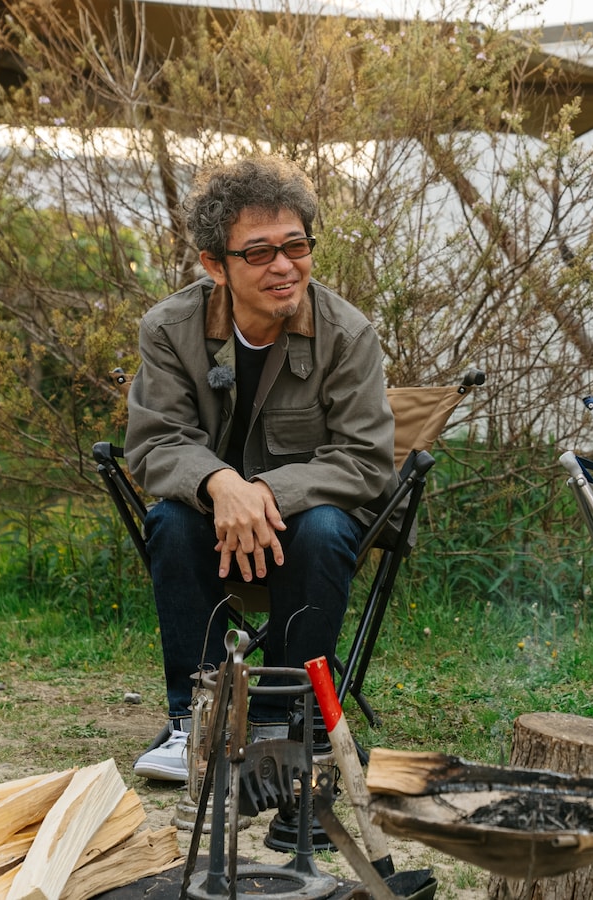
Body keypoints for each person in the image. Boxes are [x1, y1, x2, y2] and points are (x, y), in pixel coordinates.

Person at [125, 155, 398, 782]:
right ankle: (195, 722)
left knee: (330, 528)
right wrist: (221, 485)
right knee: (168, 518)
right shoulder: (169, 330)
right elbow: (156, 442)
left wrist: (262, 493)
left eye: (296, 245)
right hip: (210, 524)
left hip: (305, 529)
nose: (284, 265)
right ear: (214, 265)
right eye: (259, 252)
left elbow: (365, 460)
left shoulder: (346, 335)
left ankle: (286, 721)